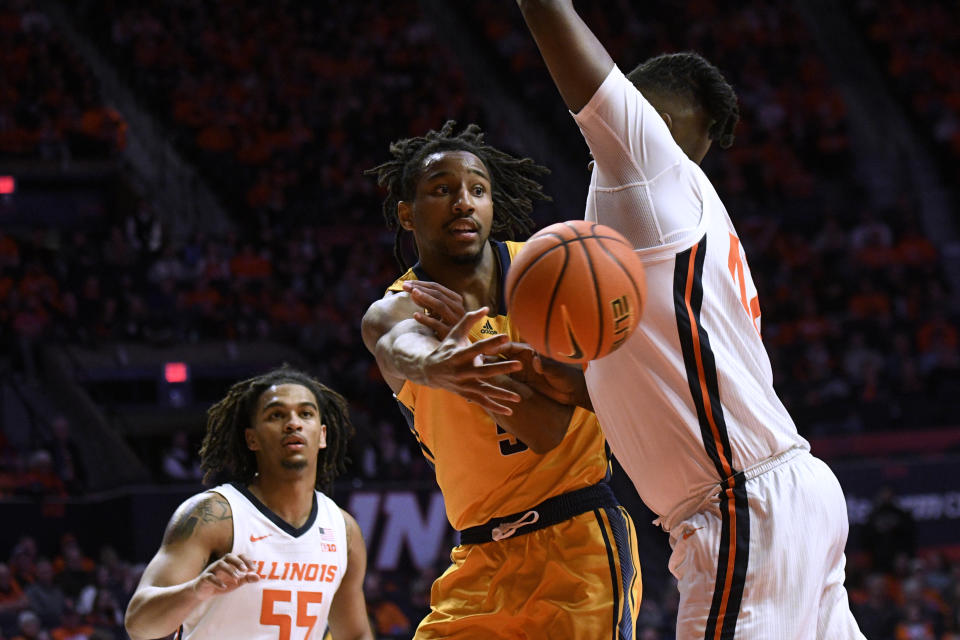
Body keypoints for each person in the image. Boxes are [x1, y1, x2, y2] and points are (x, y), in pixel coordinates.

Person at [502, 2, 866, 638]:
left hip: (741, 505)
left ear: (652, 117)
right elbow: (661, 375)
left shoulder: (651, 166)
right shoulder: (685, 211)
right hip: (785, 492)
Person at [361, 121, 641, 639]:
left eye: (476, 189)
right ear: (406, 213)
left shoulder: (555, 272)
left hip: (577, 543)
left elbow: (546, 430)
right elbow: (393, 339)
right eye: (441, 190)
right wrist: (432, 364)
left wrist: (482, 362)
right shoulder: (401, 306)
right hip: (478, 558)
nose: (462, 202)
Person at [123, 366, 373, 640]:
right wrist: (197, 589)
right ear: (251, 438)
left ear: (322, 435)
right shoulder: (214, 515)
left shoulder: (344, 531)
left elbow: (355, 634)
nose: (293, 423)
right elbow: (139, 624)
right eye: (276, 415)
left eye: (305, 413)